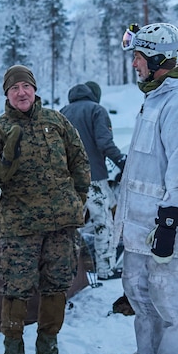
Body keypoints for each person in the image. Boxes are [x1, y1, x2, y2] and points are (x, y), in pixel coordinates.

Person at [112, 23, 178, 354]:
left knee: (167, 292)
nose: (134, 63)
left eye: (138, 57)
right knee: (137, 287)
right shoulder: (155, 96)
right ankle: (147, 352)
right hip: (138, 222)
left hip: (165, 221)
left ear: (158, 60)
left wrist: (170, 220)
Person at [0, 65, 90, 354]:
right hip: (20, 225)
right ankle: (13, 348)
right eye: (14, 89)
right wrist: (5, 161)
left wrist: (79, 199)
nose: (21, 93)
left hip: (61, 223)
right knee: (16, 286)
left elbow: (79, 159)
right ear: (7, 95)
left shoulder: (56, 121)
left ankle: (48, 344)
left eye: (26, 86)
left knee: (57, 284)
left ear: (35, 90)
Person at [60, 82, 125, 280]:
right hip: (93, 178)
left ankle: (69, 272)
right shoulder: (97, 110)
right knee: (102, 223)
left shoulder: (62, 112)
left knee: (71, 227)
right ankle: (105, 269)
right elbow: (105, 142)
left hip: (68, 180)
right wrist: (122, 161)